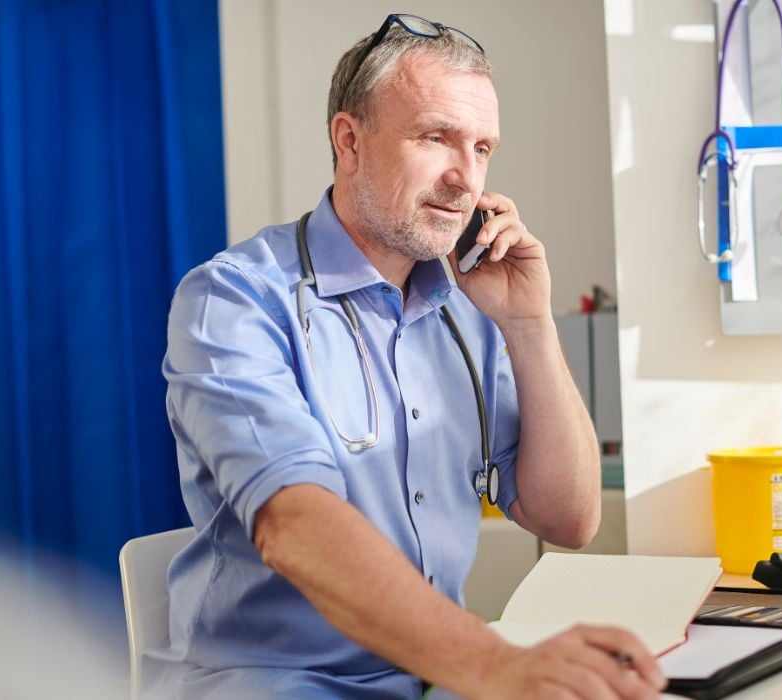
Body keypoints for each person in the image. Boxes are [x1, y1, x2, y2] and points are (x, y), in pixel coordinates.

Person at [148, 13, 667, 699]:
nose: (465, 178)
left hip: (435, 677)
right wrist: (492, 663)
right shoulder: (237, 301)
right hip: (280, 682)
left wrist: (529, 322)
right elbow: (294, 525)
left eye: (483, 149)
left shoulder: (467, 314)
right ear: (349, 140)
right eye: (437, 138)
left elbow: (568, 519)